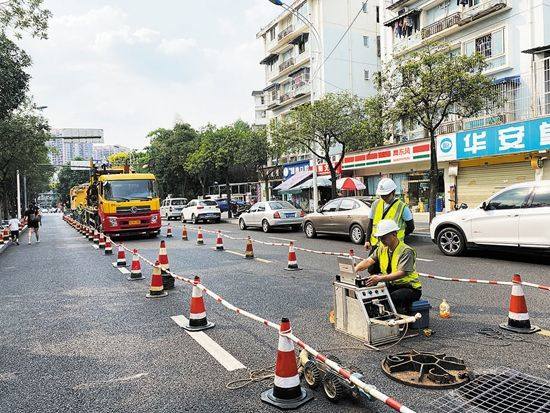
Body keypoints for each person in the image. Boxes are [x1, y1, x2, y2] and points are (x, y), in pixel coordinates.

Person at [355, 219, 422, 315]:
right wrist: (355, 269)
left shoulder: (406, 251)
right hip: (392, 285)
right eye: (380, 238)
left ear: (394, 234)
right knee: (369, 292)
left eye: (384, 237)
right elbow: (368, 261)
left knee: (391, 298)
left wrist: (380, 278)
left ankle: (400, 321)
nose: (381, 240)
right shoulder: (382, 248)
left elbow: (402, 273)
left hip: (410, 288)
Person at [365, 178, 414, 272]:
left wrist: (398, 237)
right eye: (382, 195)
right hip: (377, 244)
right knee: (372, 269)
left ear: (393, 192)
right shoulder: (376, 204)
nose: (383, 197)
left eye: (386, 195)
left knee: (390, 271)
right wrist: (367, 240)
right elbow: (371, 223)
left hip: (393, 246)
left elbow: (411, 227)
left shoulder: (402, 207)